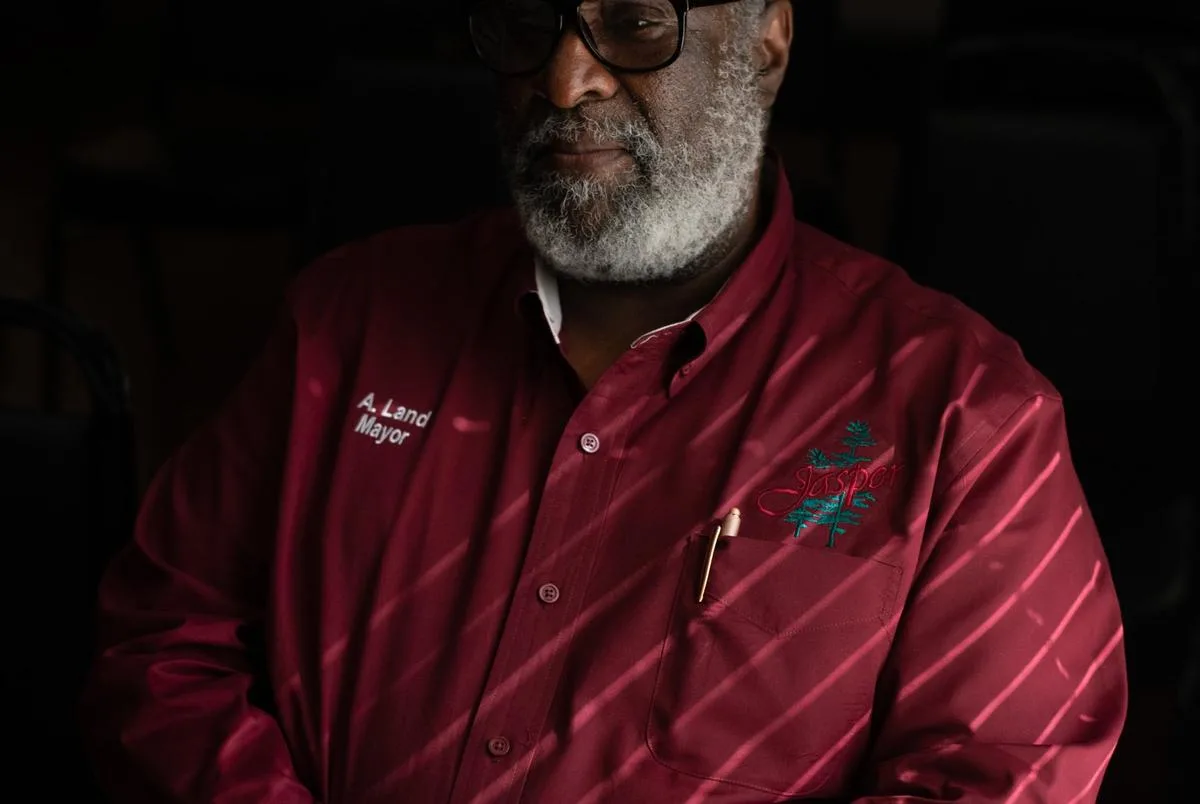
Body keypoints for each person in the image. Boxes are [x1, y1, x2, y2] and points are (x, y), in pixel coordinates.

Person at [82, 1, 1127, 801]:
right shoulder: (345, 326)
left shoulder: (965, 419)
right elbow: (163, 636)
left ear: (766, 42)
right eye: (529, 22)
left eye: (633, 22)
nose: (565, 75)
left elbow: (998, 779)